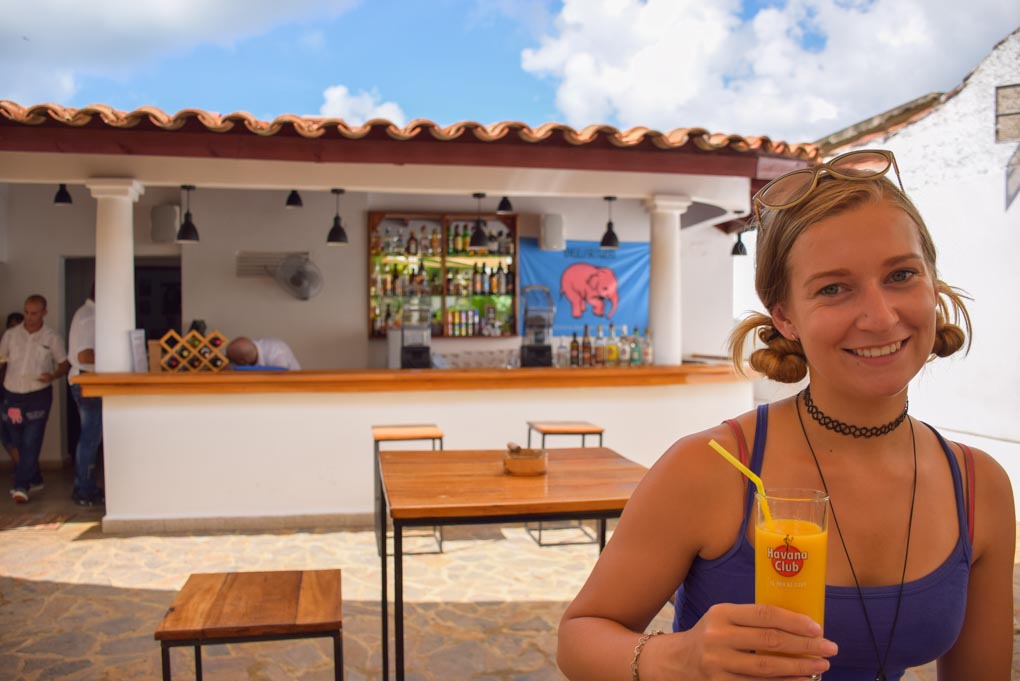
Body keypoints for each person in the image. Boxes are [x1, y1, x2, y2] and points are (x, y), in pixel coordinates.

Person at [557, 150, 1014, 680]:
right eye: (833, 288)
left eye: (901, 275)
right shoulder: (713, 467)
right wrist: (676, 658)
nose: (880, 316)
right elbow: (580, 635)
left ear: (932, 283)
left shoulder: (980, 488)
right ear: (785, 316)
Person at [0, 295, 70, 503]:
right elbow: (2, 359)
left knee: (32, 440)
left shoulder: (52, 338)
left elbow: (64, 365)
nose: (29, 317)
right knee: (18, 441)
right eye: (27, 313)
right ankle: (35, 478)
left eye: (34, 313)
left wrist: (54, 375)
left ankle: (21, 485)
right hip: (12, 394)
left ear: (44, 313)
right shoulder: (11, 335)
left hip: (38, 395)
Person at [68, 288, 104, 506]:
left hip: (87, 381)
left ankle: (85, 485)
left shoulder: (88, 313)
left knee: (91, 436)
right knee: (90, 437)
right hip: (87, 381)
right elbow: (85, 355)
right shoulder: (90, 317)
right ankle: (84, 488)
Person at [0, 311, 26, 465]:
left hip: (19, 394)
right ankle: (22, 467)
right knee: (6, 433)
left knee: (20, 434)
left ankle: (26, 469)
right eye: (11, 327)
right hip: (3, 392)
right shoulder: (4, 344)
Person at [225, 336, 301, 370]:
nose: (230, 362)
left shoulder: (276, 354)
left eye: (232, 360)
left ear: (243, 361)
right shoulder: (247, 350)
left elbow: (279, 377)